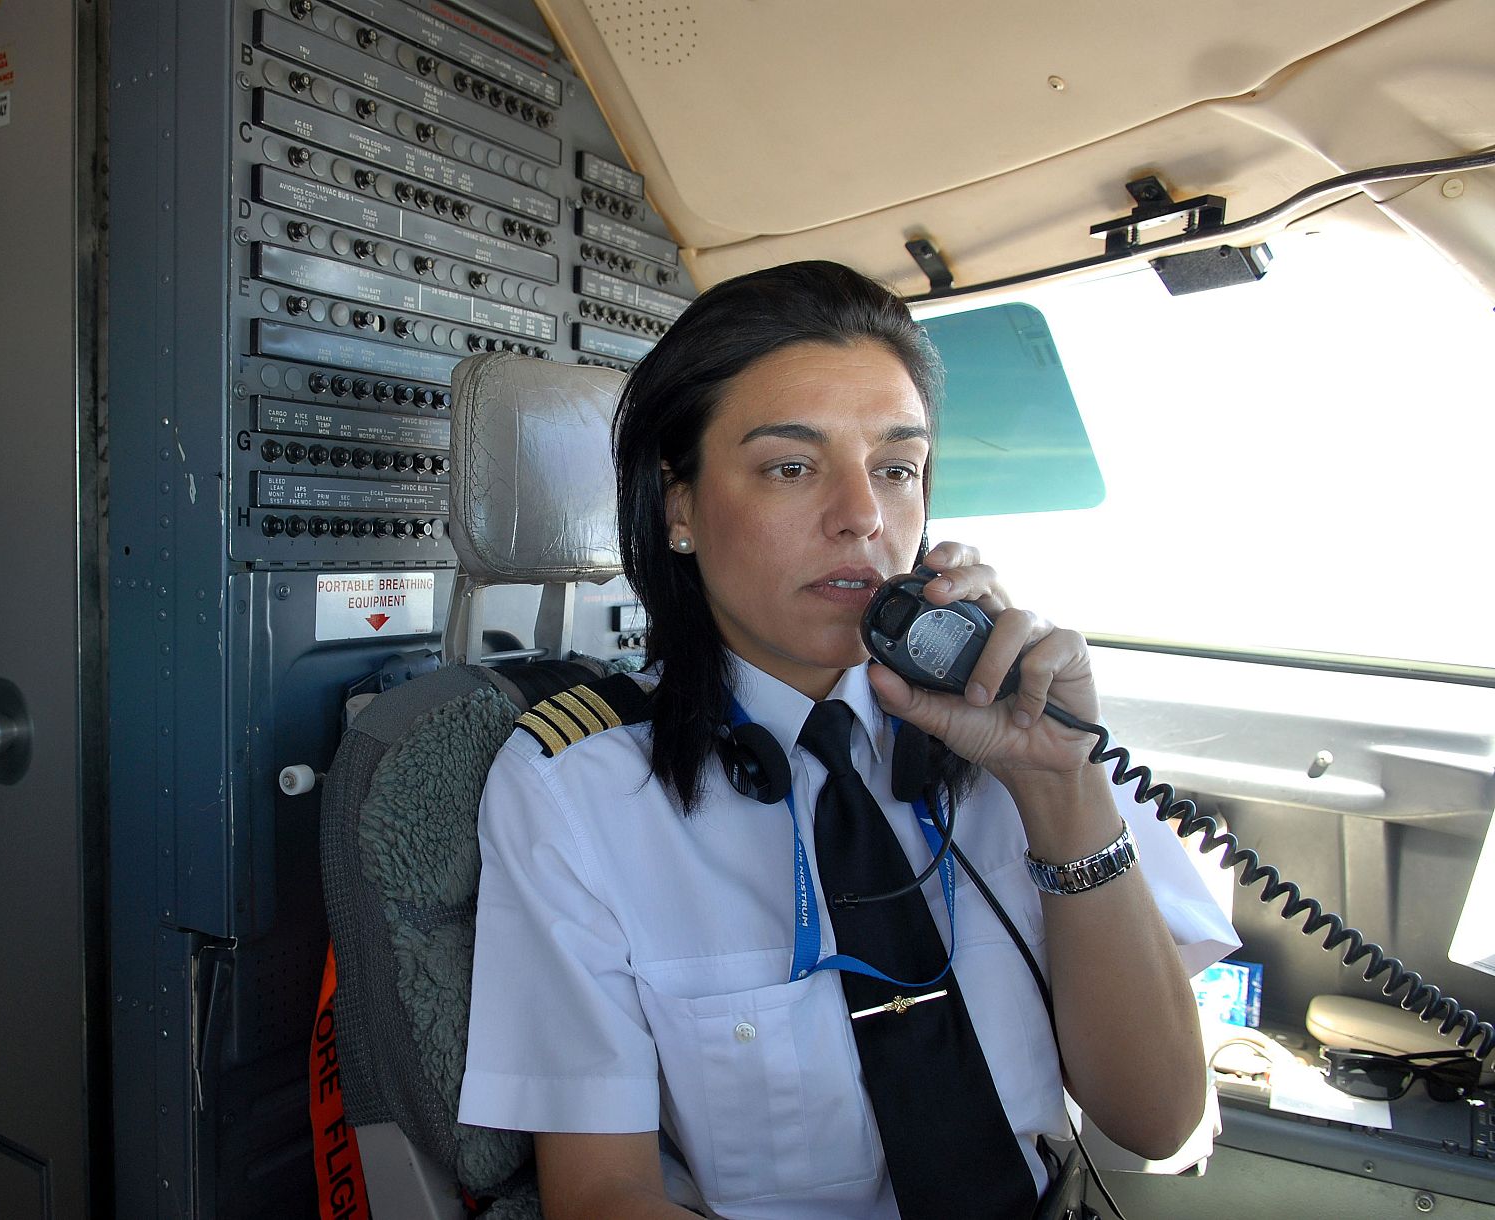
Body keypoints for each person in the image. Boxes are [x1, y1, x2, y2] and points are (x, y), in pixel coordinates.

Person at [458, 260, 1237, 1219]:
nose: (863, 518)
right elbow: (603, 1199)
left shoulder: (1018, 732)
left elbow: (1155, 1120)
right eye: (792, 467)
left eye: (896, 470)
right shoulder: (576, 789)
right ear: (680, 507)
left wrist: (1059, 789)